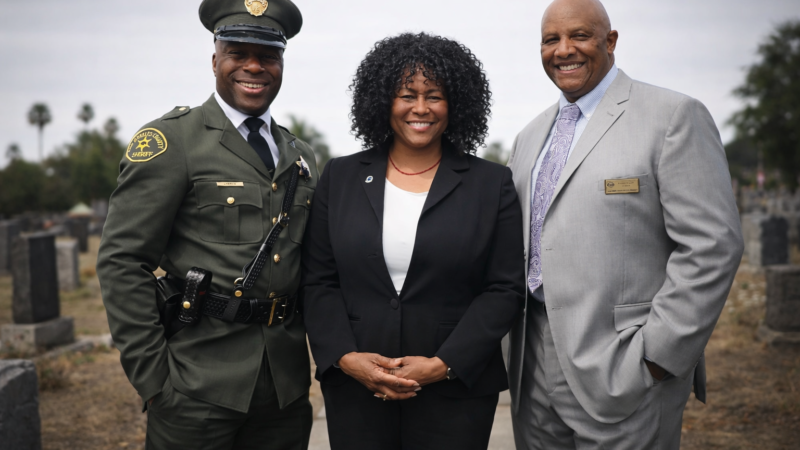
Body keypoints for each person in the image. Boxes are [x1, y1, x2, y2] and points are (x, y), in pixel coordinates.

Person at [506, 0, 745, 448]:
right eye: (550, 39)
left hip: (626, 367)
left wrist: (657, 357)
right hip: (532, 368)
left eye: (579, 35)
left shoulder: (672, 116)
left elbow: (713, 245)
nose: (563, 50)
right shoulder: (528, 138)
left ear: (610, 41)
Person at [96, 1, 318, 448]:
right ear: (215, 59)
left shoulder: (300, 155)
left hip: (284, 390)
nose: (254, 67)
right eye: (238, 53)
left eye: (269, 56)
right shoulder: (174, 140)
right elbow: (123, 261)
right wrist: (156, 382)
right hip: (196, 385)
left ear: (282, 63)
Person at [301, 32, 525, 450]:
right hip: (356, 390)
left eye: (434, 95)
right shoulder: (341, 177)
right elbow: (319, 280)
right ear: (383, 102)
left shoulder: (491, 184)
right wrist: (347, 358)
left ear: (455, 103)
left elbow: (504, 288)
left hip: (455, 392)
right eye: (407, 95)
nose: (420, 108)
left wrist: (443, 365)